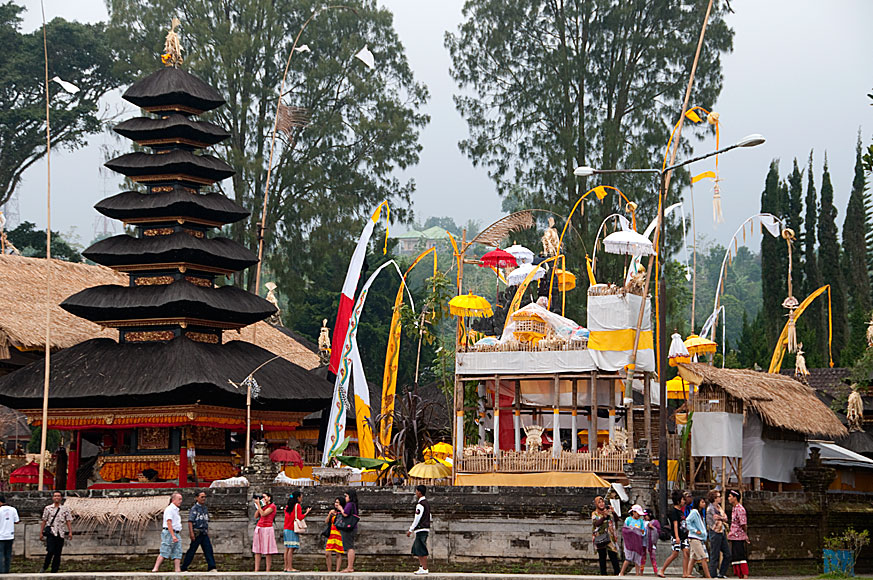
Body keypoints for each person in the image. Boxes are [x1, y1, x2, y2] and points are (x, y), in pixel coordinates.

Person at [180, 491, 216, 573]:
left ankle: (212, 567)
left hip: (204, 532)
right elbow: (190, 521)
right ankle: (184, 567)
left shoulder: (205, 508)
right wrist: (191, 533)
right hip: (197, 532)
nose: (204, 499)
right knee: (192, 550)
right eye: (202, 497)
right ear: (197, 498)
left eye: (204, 497)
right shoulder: (194, 508)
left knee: (208, 549)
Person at [39, 490, 73, 573]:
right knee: (50, 550)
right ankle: (45, 566)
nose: (56, 497)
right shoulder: (48, 508)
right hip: (51, 532)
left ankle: (54, 570)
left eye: (58, 496)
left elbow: (68, 520)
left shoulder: (65, 509)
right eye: (55, 496)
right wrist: (41, 532)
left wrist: (70, 532)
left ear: (61, 498)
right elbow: (44, 520)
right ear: (53, 498)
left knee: (58, 553)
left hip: (60, 532)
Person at [658, 489, 689, 578]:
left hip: (683, 535)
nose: (684, 501)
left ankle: (685, 572)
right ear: (678, 501)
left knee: (686, 552)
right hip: (677, 535)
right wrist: (677, 536)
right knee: (675, 553)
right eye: (682, 499)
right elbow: (675, 524)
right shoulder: (674, 512)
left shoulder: (680, 511)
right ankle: (662, 570)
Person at [152, 492, 183, 573]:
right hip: (169, 532)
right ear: (173, 500)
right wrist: (173, 535)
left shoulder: (176, 510)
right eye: (179, 499)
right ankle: (155, 568)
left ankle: (177, 569)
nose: (180, 501)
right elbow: (169, 522)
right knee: (165, 549)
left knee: (178, 550)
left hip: (176, 532)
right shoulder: (170, 509)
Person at [283, 490, 311, 572]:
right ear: (298, 498)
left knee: (287, 548)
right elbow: (300, 517)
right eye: (301, 497)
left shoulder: (288, 506)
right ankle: (290, 567)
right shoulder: (297, 506)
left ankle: (286, 566)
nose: (301, 499)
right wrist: (306, 513)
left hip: (286, 528)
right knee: (291, 549)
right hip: (292, 528)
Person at [591, 495, 619, 575]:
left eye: (602, 502)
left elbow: (616, 519)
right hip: (600, 537)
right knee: (602, 556)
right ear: (596, 504)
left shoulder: (609, 511)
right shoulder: (595, 513)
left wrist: (613, 512)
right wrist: (604, 516)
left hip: (610, 536)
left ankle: (617, 573)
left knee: (613, 554)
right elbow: (596, 523)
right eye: (599, 502)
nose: (601, 504)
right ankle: (603, 574)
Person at [407, 485, 431, 575]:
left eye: (417, 491)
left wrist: (411, 529)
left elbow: (417, 518)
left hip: (421, 528)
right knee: (418, 548)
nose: (416, 492)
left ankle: (424, 568)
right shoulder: (426, 503)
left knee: (421, 548)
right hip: (425, 528)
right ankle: (422, 567)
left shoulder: (420, 504)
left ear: (419, 492)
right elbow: (429, 516)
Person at [706, 490, 730, 579]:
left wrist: (721, 518)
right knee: (714, 554)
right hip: (715, 531)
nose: (720, 498)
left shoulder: (719, 507)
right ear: (714, 498)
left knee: (727, 554)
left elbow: (725, 518)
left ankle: (722, 573)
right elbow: (714, 519)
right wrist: (721, 518)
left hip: (721, 531)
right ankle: (713, 574)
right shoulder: (710, 508)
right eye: (719, 497)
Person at [252, 491, 278, 572]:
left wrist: (259, 505)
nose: (263, 499)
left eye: (264, 497)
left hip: (267, 528)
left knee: (268, 550)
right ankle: (256, 569)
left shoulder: (272, 506)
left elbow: (263, 514)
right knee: (257, 550)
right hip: (260, 527)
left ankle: (268, 570)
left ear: (269, 498)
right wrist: (259, 506)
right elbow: (256, 516)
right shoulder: (262, 506)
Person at [686, 497, 712, 578]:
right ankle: (708, 576)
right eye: (702, 502)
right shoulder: (694, 512)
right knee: (703, 557)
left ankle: (688, 573)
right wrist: (694, 530)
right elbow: (687, 521)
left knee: (693, 557)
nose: (704, 504)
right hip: (695, 537)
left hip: (699, 537)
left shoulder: (700, 513)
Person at [727, 490, 749, 579]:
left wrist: (745, 534)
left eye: (730, 496)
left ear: (735, 498)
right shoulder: (734, 508)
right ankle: (739, 574)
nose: (728, 498)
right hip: (734, 535)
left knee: (740, 555)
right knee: (735, 556)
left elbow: (743, 523)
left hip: (739, 535)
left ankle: (744, 574)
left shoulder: (740, 509)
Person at [619, 504, 646, 576]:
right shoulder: (628, 520)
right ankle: (621, 572)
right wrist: (632, 530)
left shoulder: (641, 521)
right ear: (633, 512)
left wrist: (640, 532)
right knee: (628, 558)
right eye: (637, 513)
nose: (639, 515)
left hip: (637, 542)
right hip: (629, 542)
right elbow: (624, 530)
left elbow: (643, 531)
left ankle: (637, 574)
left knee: (637, 558)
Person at [339, 489, 359, 573]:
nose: (345, 498)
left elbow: (345, 513)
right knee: (350, 546)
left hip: (348, 528)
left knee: (349, 547)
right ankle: (350, 566)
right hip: (353, 527)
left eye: (346, 496)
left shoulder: (350, 504)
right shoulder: (354, 504)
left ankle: (350, 567)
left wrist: (340, 508)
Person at [325, 497, 346, 573]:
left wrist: (339, 512)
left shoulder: (343, 512)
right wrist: (329, 514)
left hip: (339, 534)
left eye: (338, 503)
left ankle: (337, 570)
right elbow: (326, 521)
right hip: (331, 534)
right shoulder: (332, 511)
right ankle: (329, 570)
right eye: (336, 502)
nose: (336, 504)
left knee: (338, 553)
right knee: (327, 553)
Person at [0, 496, 19, 574]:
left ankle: (1, 571)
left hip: (0, 536)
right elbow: (17, 521)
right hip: (10, 535)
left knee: (0, 554)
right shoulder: (13, 509)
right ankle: (6, 571)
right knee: (8, 555)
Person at [641, 509, 660, 576]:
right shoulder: (642, 522)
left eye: (646, 515)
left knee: (653, 557)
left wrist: (652, 527)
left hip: (651, 543)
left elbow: (658, 531)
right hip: (643, 542)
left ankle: (655, 571)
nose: (644, 517)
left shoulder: (655, 522)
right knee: (642, 557)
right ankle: (641, 571)